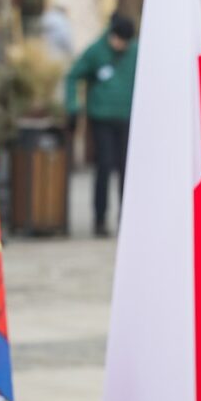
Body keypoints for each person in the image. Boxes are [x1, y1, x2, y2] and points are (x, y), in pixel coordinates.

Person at [65, 13, 138, 237]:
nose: (120, 45)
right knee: (104, 167)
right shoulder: (96, 50)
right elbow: (72, 76)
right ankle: (99, 218)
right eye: (117, 40)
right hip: (102, 117)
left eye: (124, 42)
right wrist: (73, 106)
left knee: (128, 170)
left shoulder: (135, 51)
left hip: (127, 118)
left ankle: (127, 218)